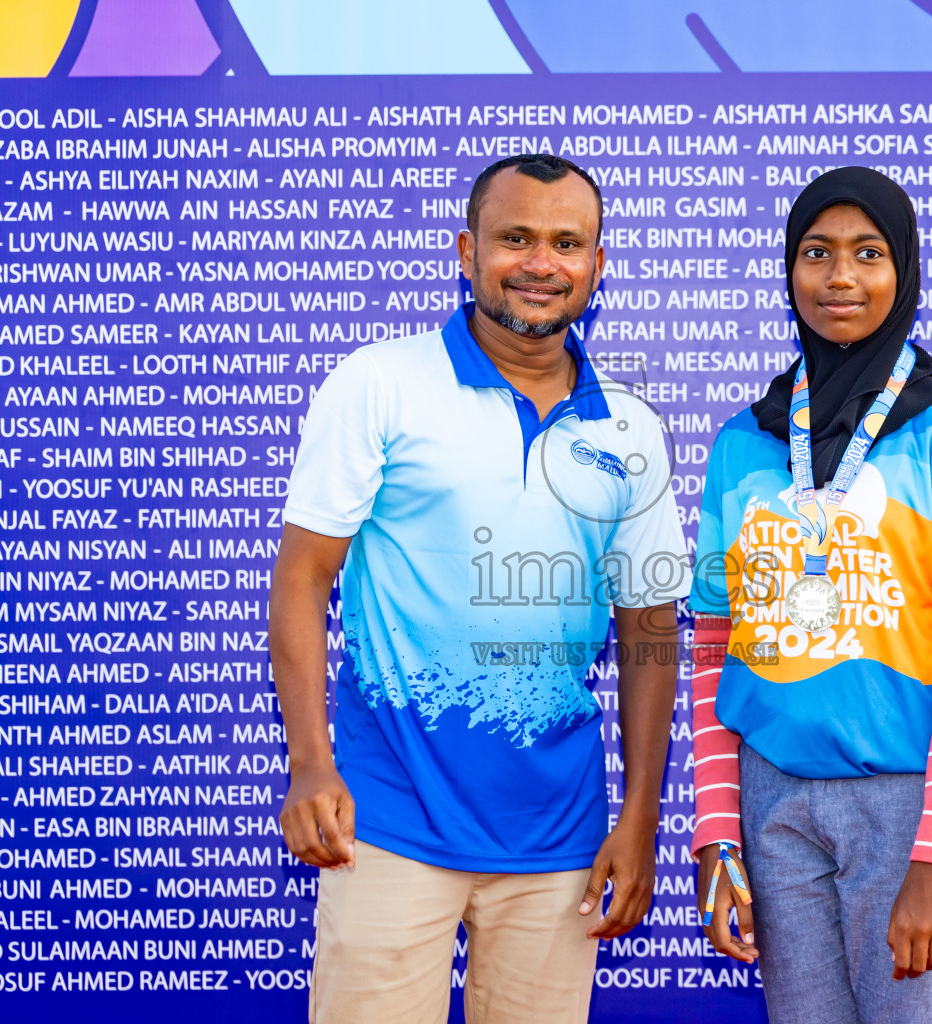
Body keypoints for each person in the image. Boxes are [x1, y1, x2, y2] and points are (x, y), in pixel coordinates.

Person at [270, 154, 689, 1024]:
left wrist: (641, 817)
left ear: (597, 266)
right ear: (468, 251)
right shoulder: (382, 383)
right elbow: (304, 577)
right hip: (385, 824)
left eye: (567, 243)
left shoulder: (632, 429)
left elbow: (650, 628)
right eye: (516, 238)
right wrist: (310, 760)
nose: (542, 262)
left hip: (559, 841)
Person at [689, 167, 932, 1024]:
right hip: (774, 803)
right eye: (816, 253)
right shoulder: (744, 444)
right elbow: (712, 650)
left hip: (909, 801)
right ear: (788, 271)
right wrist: (717, 831)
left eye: (868, 254)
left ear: (903, 269)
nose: (840, 278)